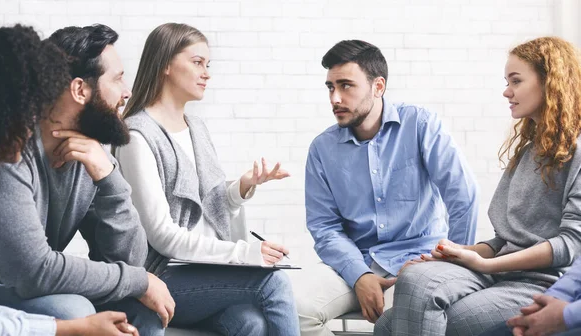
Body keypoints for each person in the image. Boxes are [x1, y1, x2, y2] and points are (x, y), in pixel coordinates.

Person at [376, 36, 581, 336]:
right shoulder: (528, 150)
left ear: (550, 83)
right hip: (502, 271)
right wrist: (461, 252)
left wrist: (484, 265)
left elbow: (570, 246)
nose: (506, 91)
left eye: (516, 81)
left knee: (396, 323)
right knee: (414, 278)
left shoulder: (576, 151)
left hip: (540, 282)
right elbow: (504, 239)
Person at [0, 24, 175, 336]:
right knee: (73, 309)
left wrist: (109, 179)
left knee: (143, 311)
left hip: (32, 288)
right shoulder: (6, 150)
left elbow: (131, 261)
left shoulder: (92, 155)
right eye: (117, 78)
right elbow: (31, 272)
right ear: (80, 90)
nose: (127, 91)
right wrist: (137, 280)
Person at [114, 22, 300, 336]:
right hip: (162, 276)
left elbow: (207, 206)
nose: (207, 73)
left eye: (207, 64)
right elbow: (162, 235)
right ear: (166, 66)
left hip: (205, 272)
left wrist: (241, 187)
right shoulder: (137, 136)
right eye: (197, 62)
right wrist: (245, 255)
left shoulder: (196, 128)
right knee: (274, 282)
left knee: (250, 323)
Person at [293, 39, 479, 335]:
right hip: (355, 261)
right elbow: (324, 226)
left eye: (346, 86)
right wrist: (359, 275)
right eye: (330, 87)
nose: (335, 98)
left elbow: (463, 197)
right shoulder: (322, 148)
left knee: (403, 321)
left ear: (378, 87)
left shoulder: (420, 124)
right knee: (294, 308)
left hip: (420, 263)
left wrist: (449, 267)